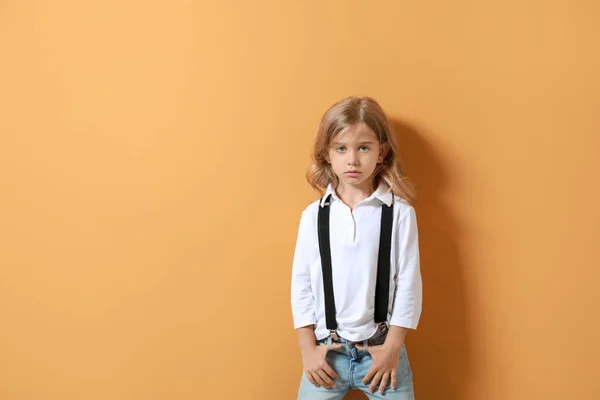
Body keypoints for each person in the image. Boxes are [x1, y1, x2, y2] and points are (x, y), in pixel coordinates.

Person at [290, 96, 422, 399]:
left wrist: (392, 348)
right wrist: (307, 349)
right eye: (341, 148)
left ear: (381, 152)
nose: (352, 160)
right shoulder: (314, 216)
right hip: (327, 354)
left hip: (382, 351)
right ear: (327, 155)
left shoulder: (399, 213)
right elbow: (301, 285)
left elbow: (409, 284)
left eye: (364, 147)